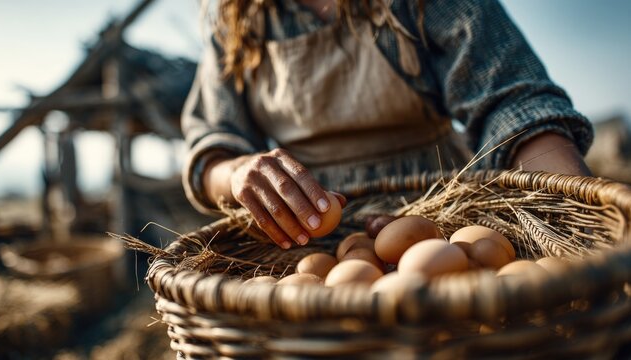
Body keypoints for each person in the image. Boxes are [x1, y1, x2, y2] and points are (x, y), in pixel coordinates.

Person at [181, 0, 593, 249]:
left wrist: (579, 217)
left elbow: (513, 103)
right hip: (304, 234)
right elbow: (213, 145)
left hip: (444, 213)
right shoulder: (237, 17)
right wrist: (238, 173)